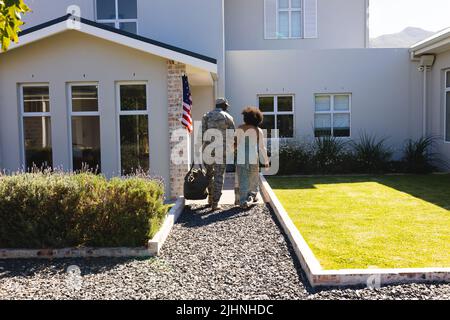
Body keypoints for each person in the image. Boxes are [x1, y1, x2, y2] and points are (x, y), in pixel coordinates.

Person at [202, 98, 235, 211]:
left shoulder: (206, 116)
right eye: (226, 105)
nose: (227, 107)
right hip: (221, 151)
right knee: (219, 175)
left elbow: (202, 134)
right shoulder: (227, 117)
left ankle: (210, 198)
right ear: (223, 105)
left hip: (208, 150)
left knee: (209, 174)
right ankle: (215, 203)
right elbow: (232, 136)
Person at [235, 107, 269, 209]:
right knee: (253, 178)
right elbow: (262, 147)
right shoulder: (258, 130)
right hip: (253, 156)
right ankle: (252, 196)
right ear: (257, 118)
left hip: (241, 156)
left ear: (245, 118)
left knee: (242, 178)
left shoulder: (239, 128)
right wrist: (266, 161)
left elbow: (234, 144)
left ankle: (242, 200)